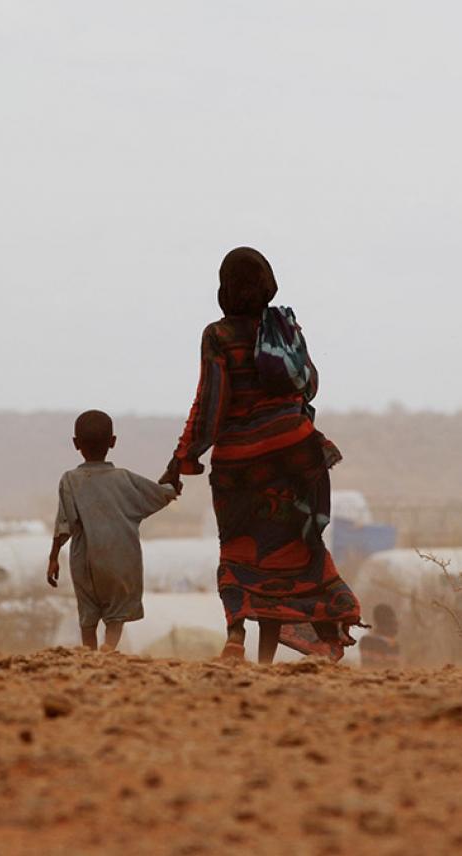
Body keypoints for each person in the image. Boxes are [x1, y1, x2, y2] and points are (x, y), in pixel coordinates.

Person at [161, 247, 363, 664]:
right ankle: (272, 656)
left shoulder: (218, 335)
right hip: (296, 451)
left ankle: (235, 641)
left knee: (240, 550)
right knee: (294, 550)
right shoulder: (284, 327)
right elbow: (309, 385)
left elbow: (211, 403)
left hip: (242, 463)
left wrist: (182, 458)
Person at [48, 410, 179, 653]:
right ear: (113, 442)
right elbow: (164, 493)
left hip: (85, 562)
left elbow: (63, 525)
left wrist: (53, 558)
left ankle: (89, 652)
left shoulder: (70, 480)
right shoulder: (126, 479)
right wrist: (173, 479)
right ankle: (109, 647)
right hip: (122, 559)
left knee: (88, 615)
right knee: (116, 615)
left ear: (76, 443)